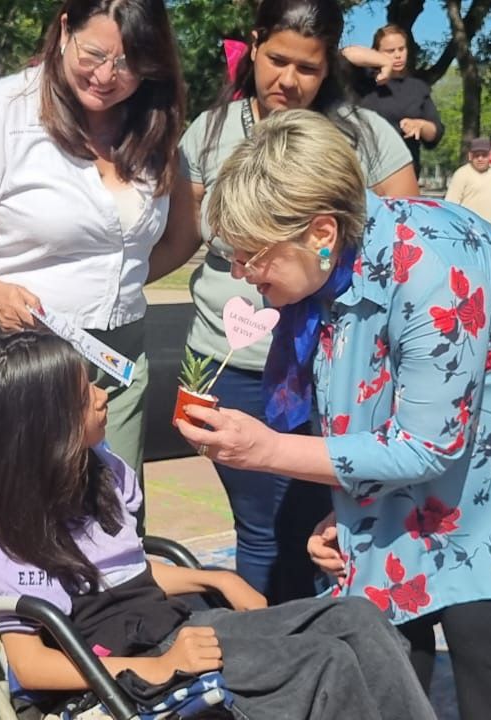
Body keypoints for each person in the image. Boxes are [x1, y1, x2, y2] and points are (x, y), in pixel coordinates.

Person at [178, 111, 491, 720]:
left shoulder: (431, 270)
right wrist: (358, 512)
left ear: (321, 231)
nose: (240, 275)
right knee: (382, 599)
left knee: (485, 617)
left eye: (252, 255)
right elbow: (368, 415)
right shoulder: (338, 271)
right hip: (455, 419)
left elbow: (424, 448)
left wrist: (268, 451)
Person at [0, 1, 193, 714]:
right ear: (64, 28)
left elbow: (180, 235)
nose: (108, 76)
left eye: (129, 64)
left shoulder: (156, 122)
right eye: (93, 55)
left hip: (116, 354)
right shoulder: (5, 110)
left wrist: (115, 286)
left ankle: (105, 682)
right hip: (15, 360)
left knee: (106, 523)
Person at [0, 331, 437, 720]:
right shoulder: (3, 525)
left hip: (177, 627)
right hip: (120, 666)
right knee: (324, 663)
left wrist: (215, 577)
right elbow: (30, 664)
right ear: (45, 425)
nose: (103, 397)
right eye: (85, 395)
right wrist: (158, 666)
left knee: (357, 617)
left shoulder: (102, 469)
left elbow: (128, 570)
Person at [178, 0, 417, 605]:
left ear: (329, 65)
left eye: (307, 68)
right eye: (277, 60)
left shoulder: (367, 135)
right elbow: (180, 238)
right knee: (261, 532)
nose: (288, 80)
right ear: (254, 45)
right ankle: (268, 665)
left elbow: (409, 245)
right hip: (231, 364)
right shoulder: (210, 132)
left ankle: (332, 659)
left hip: (338, 368)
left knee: (332, 531)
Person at [354, 23, 444, 176]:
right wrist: (384, 64)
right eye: (390, 51)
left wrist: (421, 125)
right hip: (365, 170)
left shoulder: (417, 88)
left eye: (401, 49)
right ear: (375, 52)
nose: (397, 55)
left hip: (405, 172)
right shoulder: (362, 80)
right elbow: (345, 54)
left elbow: (436, 132)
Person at [444, 136, 491, 235]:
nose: (480, 159)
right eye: (476, 155)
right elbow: (451, 205)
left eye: (484, 155)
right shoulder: (461, 174)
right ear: (470, 156)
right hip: (469, 231)